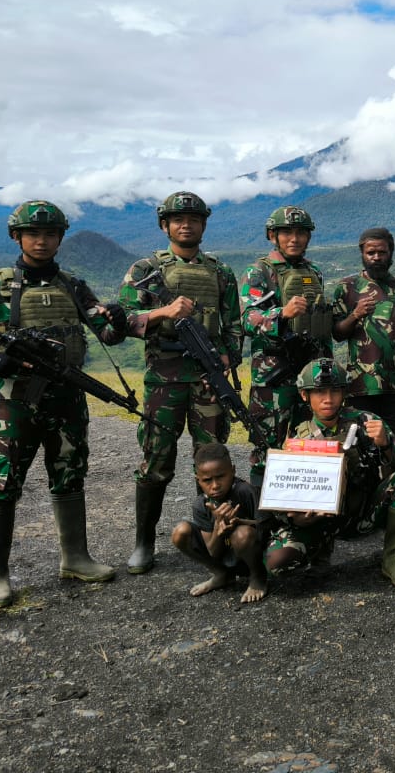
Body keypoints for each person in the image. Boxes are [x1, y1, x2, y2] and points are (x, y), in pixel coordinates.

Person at [0, 200, 139, 607]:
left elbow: (109, 337)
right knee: (2, 482)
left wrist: (116, 317)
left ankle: (75, 558)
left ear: (60, 238)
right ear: (16, 237)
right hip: (15, 402)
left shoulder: (74, 286)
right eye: (32, 234)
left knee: (70, 475)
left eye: (49, 234)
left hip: (67, 398)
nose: (41, 241)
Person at [119, 191, 242, 575]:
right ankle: (143, 543)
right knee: (156, 460)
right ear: (165, 225)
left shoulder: (220, 271)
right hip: (165, 380)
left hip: (208, 381)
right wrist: (164, 312)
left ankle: (214, 539)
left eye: (193, 219)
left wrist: (228, 355)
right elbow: (120, 319)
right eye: (177, 219)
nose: (185, 224)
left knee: (212, 461)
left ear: (203, 225)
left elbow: (233, 324)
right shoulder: (145, 269)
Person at [261, 358, 395, 587]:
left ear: (344, 393)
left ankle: (392, 559)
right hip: (319, 522)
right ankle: (319, 553)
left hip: (361, 515)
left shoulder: (366, 422)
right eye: (319, 392)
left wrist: (385, 444)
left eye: (335, 391)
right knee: (277, 562)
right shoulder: (297, 439)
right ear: (305, 395)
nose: (328, 399)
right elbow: (284, 499)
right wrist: (296, 518)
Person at [240, 206, 333, 494]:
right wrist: (282, 313)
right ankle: (262, 521)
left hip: (310, 375)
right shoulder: (258, 272)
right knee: (267, 447)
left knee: (310, 442)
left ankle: (307, 514)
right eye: (287, 232)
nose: (294, 238)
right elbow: (247, 319)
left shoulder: (312, 271)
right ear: (273, 235)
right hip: (273, 379)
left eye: (301, 232)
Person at [331, 227, 395, 444]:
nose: (376, 257)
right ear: (362, 254)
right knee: (359, 444)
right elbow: (337, 334)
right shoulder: (347, 287)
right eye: (371, 253)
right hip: (359, 386)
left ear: (391, 253)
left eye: (382, 252)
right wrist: (355, 314)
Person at [169, 442, 267, 603]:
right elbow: (213, 552)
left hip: (252, 554)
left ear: (233, 471)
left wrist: (239, 522)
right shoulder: (201, 504)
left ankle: (258, 577)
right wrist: (218, 528)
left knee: (242, 533)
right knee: (180, 532)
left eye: (221, 476)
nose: (215, 486)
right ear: (198, 480)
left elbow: (266, 529)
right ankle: (222, 574)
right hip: (225, 555)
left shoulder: (246, 492)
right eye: (207, 480)